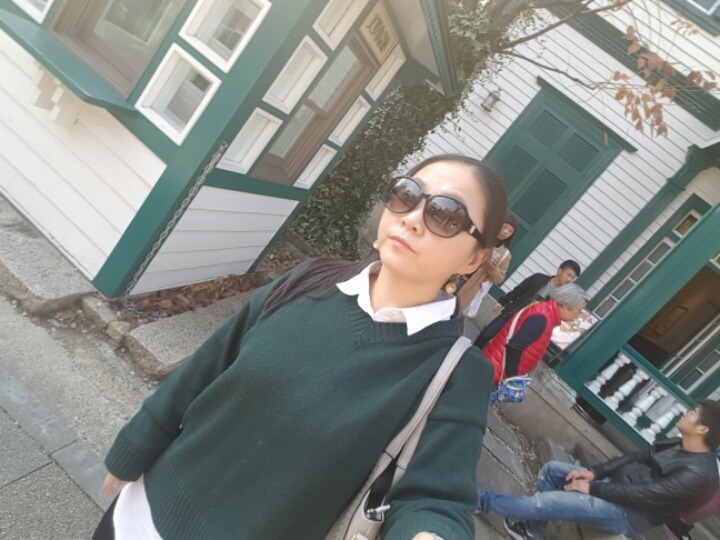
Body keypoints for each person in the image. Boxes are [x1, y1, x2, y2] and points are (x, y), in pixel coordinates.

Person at [93, 154, 508, 540]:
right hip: (139, 512)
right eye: (407, 195)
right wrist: (136, 444)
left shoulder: (456, 372)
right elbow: (208, 365)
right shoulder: (310, 280)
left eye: (446, 214)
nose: (413, 219)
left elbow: (437, 499)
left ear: (474, 259)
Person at [477, 400, 720, 539]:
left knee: (546, 502)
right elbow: (635, 457)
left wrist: (591, 488)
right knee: (553, 469)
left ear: (702, 429)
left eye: (692, 413)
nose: (685, 413)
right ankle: (531, 530)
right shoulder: (679, 443)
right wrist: (594, 472)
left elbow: (644, 494)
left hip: (628, 513)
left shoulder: (698, 474)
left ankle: (478, 500)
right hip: (615, 487)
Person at [480, 283, 588, 386]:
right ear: (566, 304)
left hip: (493, 370)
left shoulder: (545, 312)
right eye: (579, 310)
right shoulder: (542, 318)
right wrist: (514, 378)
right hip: (491, 373)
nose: (579, 315)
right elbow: (514, 346)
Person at [475, 259, 582, 348]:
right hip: (511, 313)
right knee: (486, 335)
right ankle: (470, 352)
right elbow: (518, 290)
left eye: (572, 278)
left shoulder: (560, 298)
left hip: (524, 326)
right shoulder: (538, 278)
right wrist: (503, 302)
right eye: (568, 275)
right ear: (559, 270)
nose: (569, 279)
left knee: (500, 348)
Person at [457, 214, 517, 317]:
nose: (506, 232)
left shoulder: (505, 255)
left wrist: (493, 268)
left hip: (470, 287)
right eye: (505, 227)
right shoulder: (480, 237)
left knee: (450, 313)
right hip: (454, 276)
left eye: (510, 231)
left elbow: (499, 279)